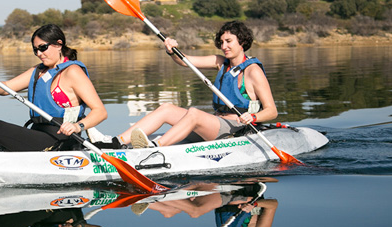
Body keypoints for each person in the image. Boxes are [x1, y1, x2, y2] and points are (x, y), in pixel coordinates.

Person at [0, 24, 107, 151]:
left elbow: (100, 111)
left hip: (59, 140)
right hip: (37, 133)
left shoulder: (73, 72)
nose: (39, 54)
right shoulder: (37, 72)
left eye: (43, 48)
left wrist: (77, 126)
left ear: (59, 44)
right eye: (35, 50)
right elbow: (3, 89)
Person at [110, 21, 278, 149]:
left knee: (194, 113)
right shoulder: (221, 62)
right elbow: (186, 61)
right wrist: (171, 51)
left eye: (228, 41)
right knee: (166, 108)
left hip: (236, 129)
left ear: (242, 42)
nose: (223, 46)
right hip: (215, 125)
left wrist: (253, 117)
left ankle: (155, 147)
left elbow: (272, 111)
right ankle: (117, 142)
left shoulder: (253, 71)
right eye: (221, 42)